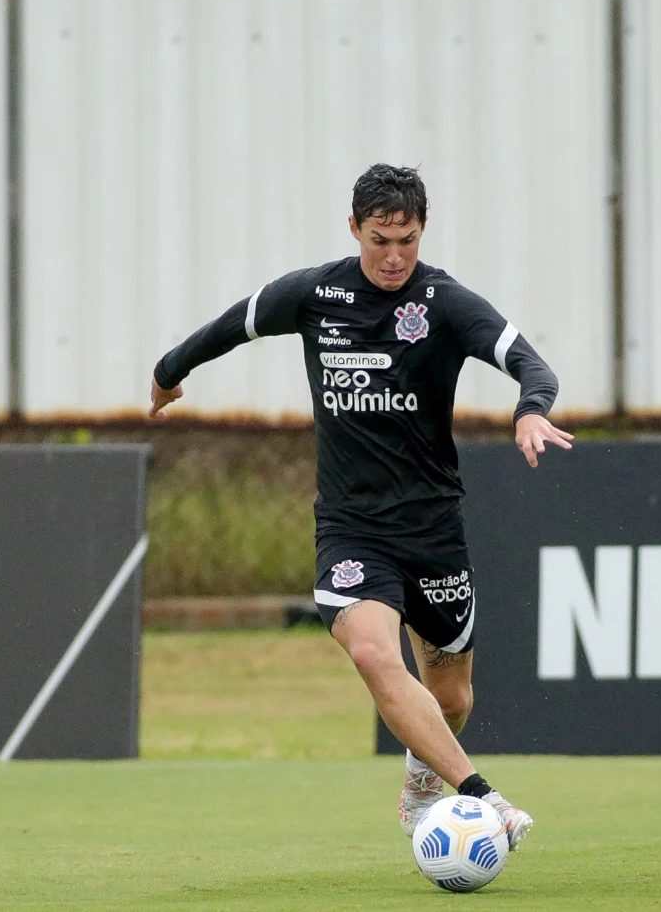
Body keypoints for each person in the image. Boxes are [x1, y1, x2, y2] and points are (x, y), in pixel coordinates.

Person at [148, 163, 572, 850]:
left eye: (406, 239)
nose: (394, 255)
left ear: (421, 231)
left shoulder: (446, 302)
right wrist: (170, 370)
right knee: (375, 652)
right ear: (355, 229)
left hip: (433, 528)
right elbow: (236, 322)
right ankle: (483, 796)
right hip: (352, 529)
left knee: (453, 697)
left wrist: (530, 411)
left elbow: (533, 365)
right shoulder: (315, 294)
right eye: (380, 239)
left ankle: (422, 772)